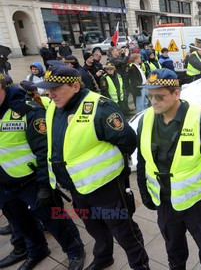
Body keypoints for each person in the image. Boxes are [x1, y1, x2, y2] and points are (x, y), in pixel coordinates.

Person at [35, 66, 150, 270]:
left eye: (56, 88)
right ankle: (104, 257)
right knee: (94, 227)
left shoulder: (100, 107)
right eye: (48, 89)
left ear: (76, 86)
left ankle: (140, 266)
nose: (50, 94)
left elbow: (128, 141)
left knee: (124, 231)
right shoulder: (55, 105)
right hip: (76, 186)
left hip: (106, 188)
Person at [136, 69, 201, 270]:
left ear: (176, 93)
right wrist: (143, 191)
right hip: (165, 203)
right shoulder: (145, 121)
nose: (153, 102)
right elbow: (143, 160)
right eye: (150, 96)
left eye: (159, 97)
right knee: (174, 252)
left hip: (197, 204)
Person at [0, 72, 86, 270]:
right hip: (4, 184)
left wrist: (45, 185)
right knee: (20, 223)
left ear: (3, 86)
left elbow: (44, 152)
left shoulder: (27, 111)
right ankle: (36, 249)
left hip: (31, 181)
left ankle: (74, 250)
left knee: (55, 219)